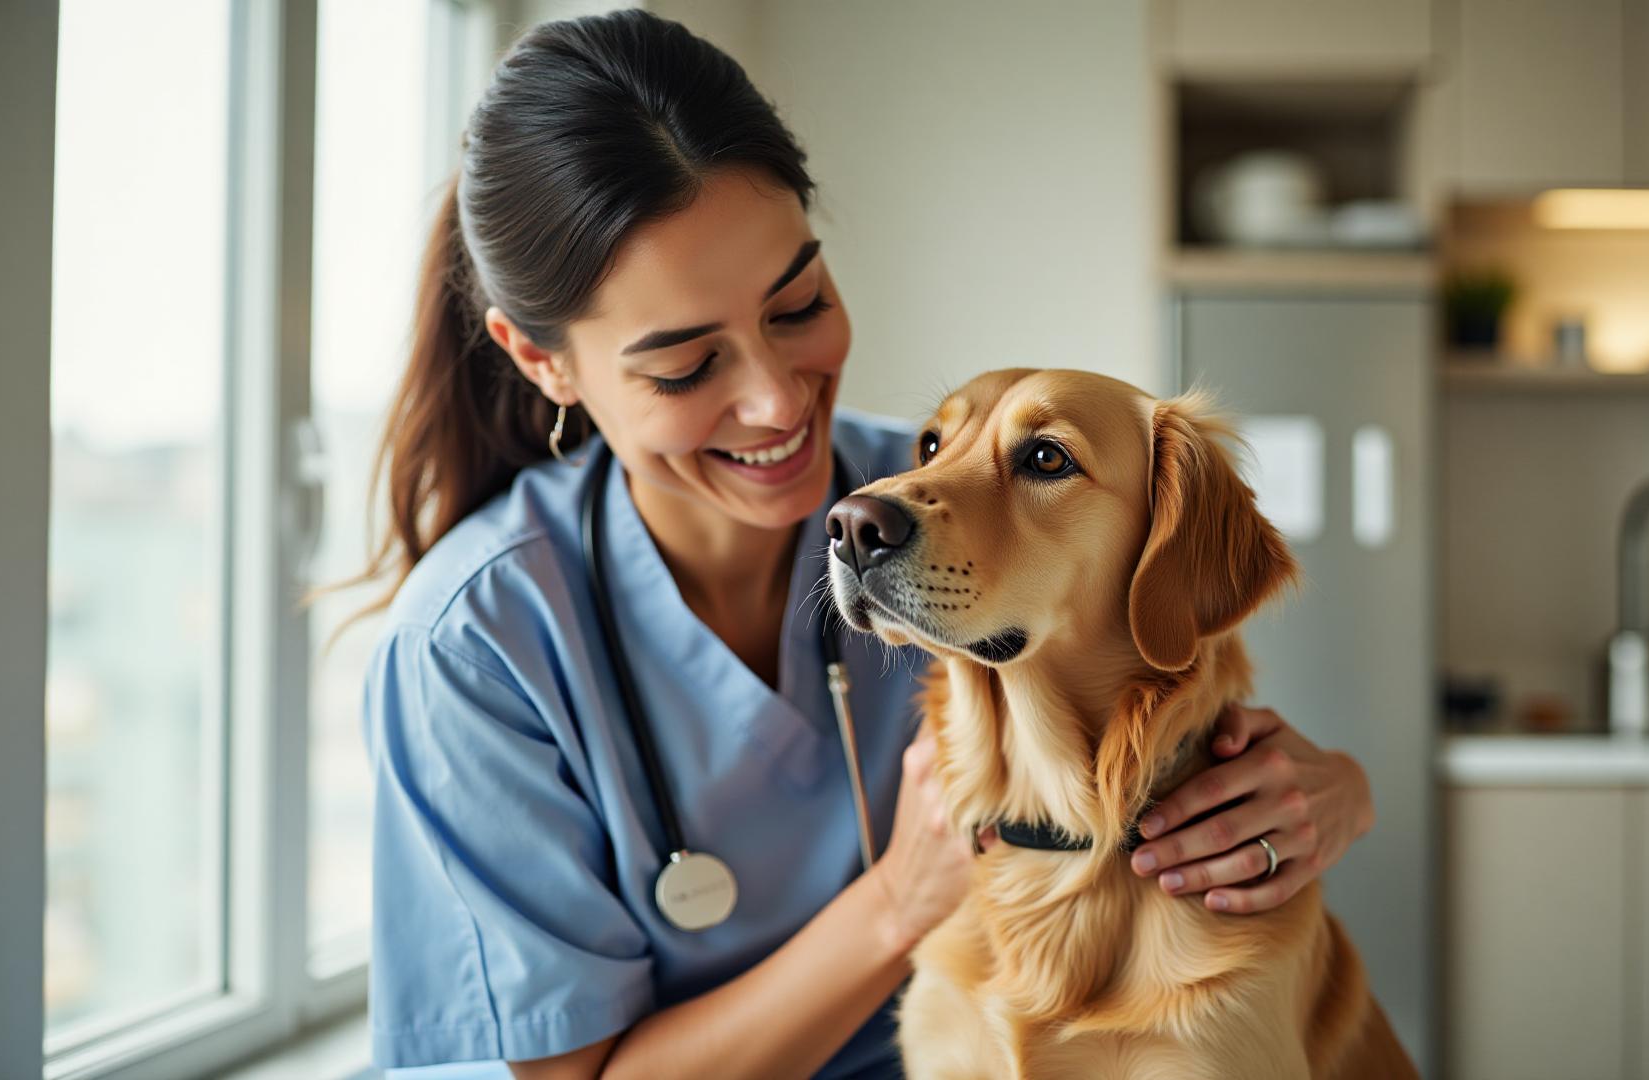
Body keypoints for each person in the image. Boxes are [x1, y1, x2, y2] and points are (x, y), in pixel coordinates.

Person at [337, 10, 1378, 1079]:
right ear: (543, 360)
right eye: (687, 366)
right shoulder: (472, 647)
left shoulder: (922, 502)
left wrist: (1336, 787)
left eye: (799, 305)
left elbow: (1165, 680)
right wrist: (899, 902)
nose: (779, 402)